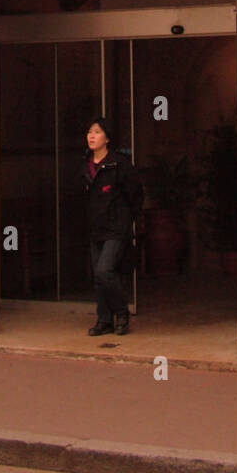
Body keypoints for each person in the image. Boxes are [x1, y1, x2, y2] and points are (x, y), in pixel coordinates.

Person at [82, 118, 143, 336]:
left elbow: (135, 194)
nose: (91, 136)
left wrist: (127, 219)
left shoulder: (119, 163)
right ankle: (104, 320)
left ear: (107, 138)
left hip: (117, 228)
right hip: (95, 227)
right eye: (90, 132)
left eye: (97, 132)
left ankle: (121, 312)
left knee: (104, 270)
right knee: (98, 277)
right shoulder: (86, 165)